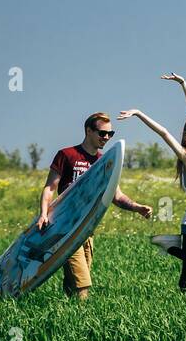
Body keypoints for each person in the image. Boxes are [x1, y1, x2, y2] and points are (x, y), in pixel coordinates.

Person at [119, 73, 186, 291]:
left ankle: (172, 247)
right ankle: (184, 303)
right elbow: (164, 133)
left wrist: (183, 83)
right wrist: (139, 113)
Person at [38, 112, 153, 300]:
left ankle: (67, 317)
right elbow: (50, 188)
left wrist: (137, 207)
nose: (106, 138)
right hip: (65, 229)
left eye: (110, 134)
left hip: (87, 229)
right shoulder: (66, 155)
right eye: (102, 133)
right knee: (83, 282)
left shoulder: (103, 162)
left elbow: (116, 195)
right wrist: (43, 214)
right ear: (88, 131)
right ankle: (83, 320)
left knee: (73, 281)